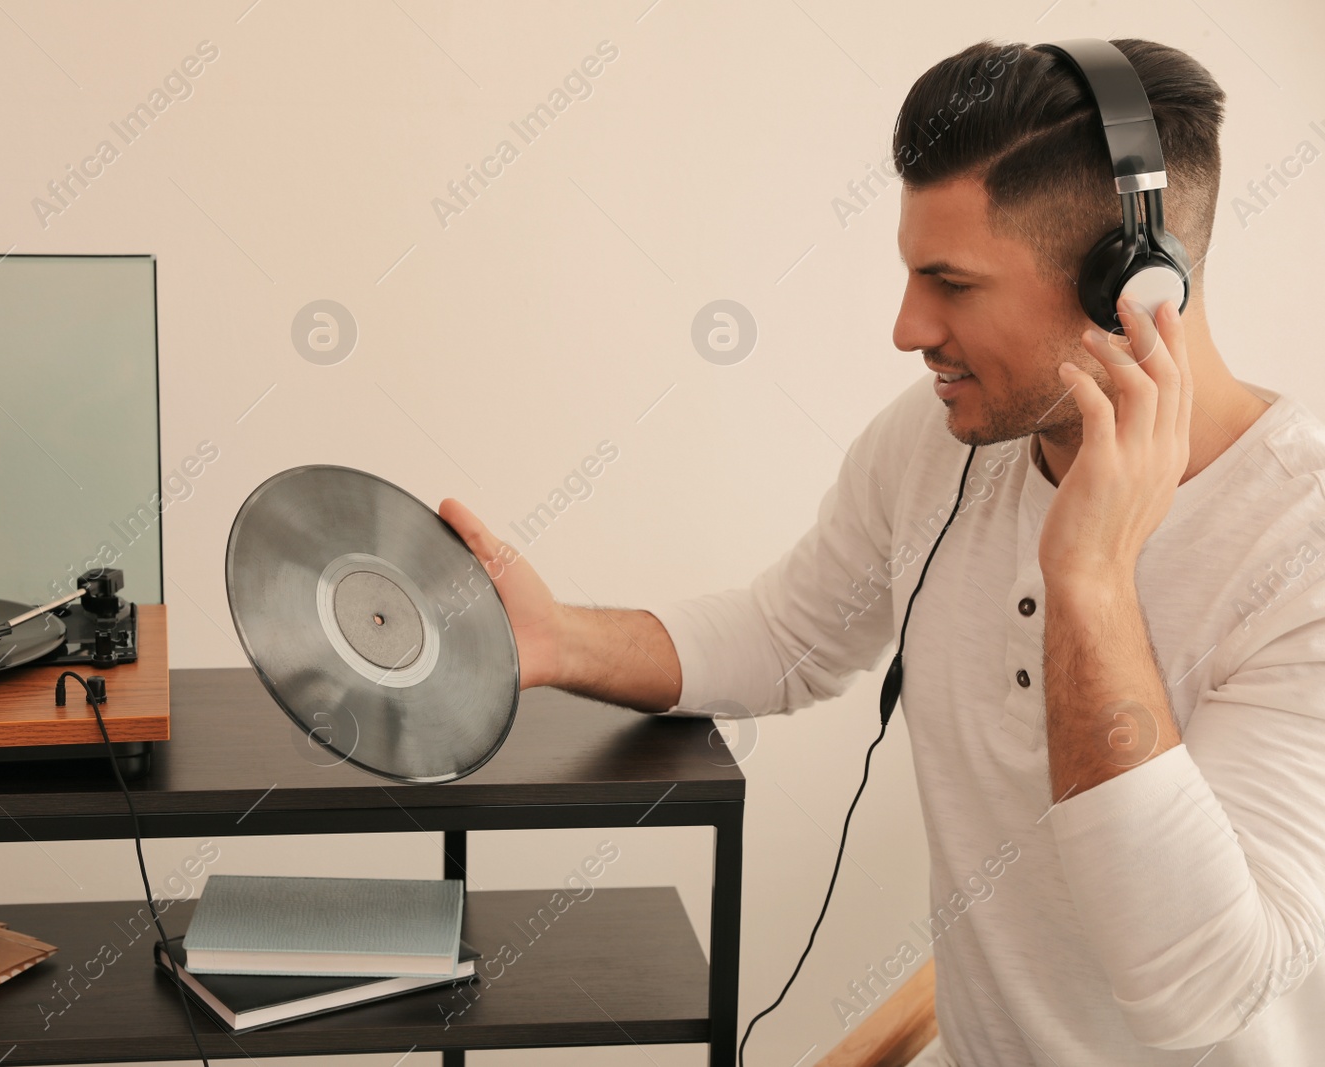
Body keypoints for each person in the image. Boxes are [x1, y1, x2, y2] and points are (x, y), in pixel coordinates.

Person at [440, 38, 1325, 1067]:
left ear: (1131, 291)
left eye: (949, 282)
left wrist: (1086, 579)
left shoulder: (1298, 548)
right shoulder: (939, 441)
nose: (908, 328)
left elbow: (1198, 988)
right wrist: (558, 641)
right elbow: (786, 636)